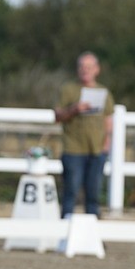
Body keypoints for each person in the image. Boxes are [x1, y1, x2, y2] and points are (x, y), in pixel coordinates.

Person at [53, 52, 114, 217]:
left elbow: (108, 118)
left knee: (93, 193)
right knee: (70, 191)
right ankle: (65, 230)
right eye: (82, 66)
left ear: (97, 69)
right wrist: (74, 109)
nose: (85, 70)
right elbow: (57, 116)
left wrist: (106, 143)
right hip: (73, 149)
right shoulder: (68, 89)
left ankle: (93, 233)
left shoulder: (104, 92)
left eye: (89, 67)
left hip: (96, 149)